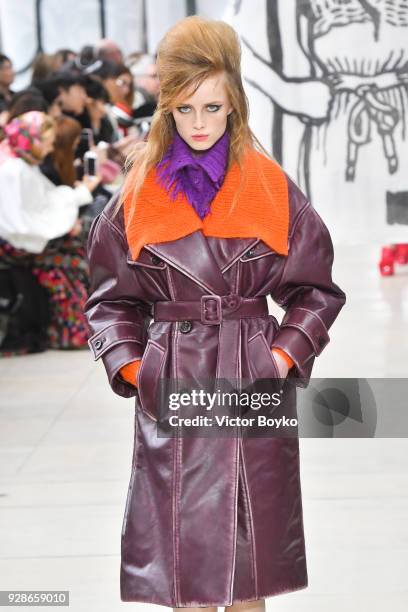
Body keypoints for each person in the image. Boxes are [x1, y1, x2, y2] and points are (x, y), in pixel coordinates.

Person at [84, 16, 346, 611]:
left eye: (213, 108)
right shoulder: (137, 195)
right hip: (173, 385)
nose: (200, 124)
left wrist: (279, 356)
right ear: (165, 109)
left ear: (235, 107)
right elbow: (110, 301)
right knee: (188, 579)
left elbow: (317, 291)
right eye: (185, 109)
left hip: (250, 383)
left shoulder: (269, 187)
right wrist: (135, 369)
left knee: (247, 579)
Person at [0, 110, 99, 351]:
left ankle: (78, 327)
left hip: (27, 240)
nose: (49, 149)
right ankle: (68, 332)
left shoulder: (22, 164)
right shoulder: (13, 170)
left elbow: (43, 204)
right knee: (74, 261)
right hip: (16, 245)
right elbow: (19, 225)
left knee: (82, 248)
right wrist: (63, 224)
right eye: (46, 143)